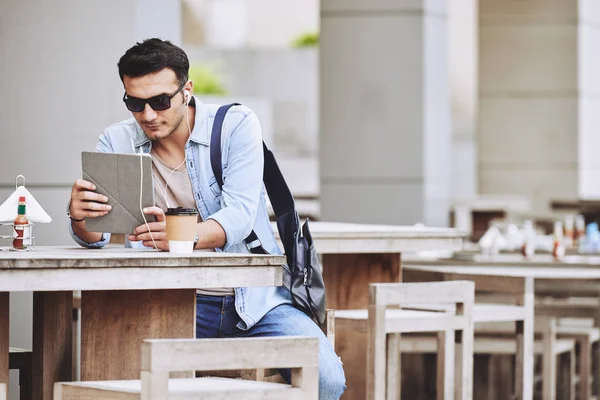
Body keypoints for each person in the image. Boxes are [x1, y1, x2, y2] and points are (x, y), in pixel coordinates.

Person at [67, 38, 345, 399]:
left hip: (256, 301)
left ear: (187, 90)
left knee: (326, 379)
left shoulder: (234, 126)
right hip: (165, 301)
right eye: (135, 103)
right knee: (105, 369)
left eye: (160, 101)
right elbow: (99, 235)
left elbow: (240, 216)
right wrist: (79, 219)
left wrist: (182, 237)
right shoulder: (116, 140)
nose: (148, 115)